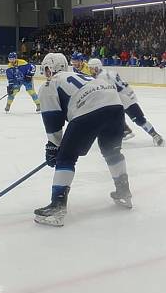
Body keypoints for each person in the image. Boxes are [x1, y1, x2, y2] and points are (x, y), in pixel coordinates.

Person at [35, 53, 133, 227]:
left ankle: (57, 206)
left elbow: (53, 123)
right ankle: (124, 192)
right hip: (115, 106)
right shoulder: (83, 75)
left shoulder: (50, 84)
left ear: (49, 68)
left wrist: (54, 147)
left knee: (66, 157)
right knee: (112, 151)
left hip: (89, 108)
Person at [87, 58, 164, 146]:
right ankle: (127, 130)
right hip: (126, 97)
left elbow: (110, 91)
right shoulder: (106, 72)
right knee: (112, 117)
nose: (90, 70)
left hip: (125, 99)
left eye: (91, 68)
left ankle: (154, 135)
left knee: (138, 120)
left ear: (97, 68)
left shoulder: (102, 77)